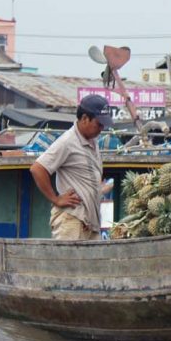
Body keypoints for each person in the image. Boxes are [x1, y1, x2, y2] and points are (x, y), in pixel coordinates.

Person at [29, 94, 111, 241]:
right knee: (69, 263)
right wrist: (56, 199)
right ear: (85, 118)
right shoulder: (67, 141)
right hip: (71, 220)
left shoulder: (93, 141)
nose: (102, 128)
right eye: (99, 124)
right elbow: (37, 168)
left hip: (89, 223)